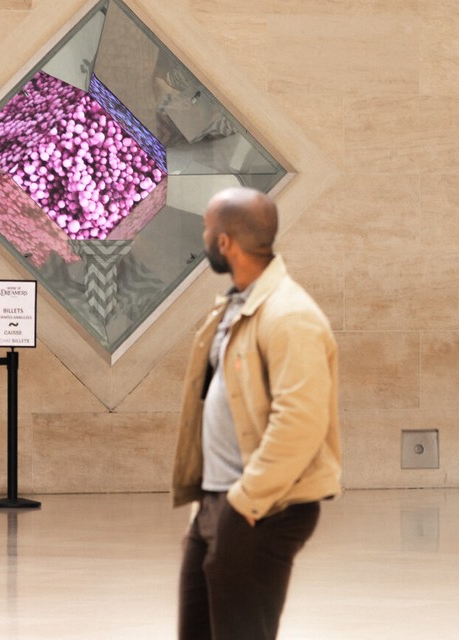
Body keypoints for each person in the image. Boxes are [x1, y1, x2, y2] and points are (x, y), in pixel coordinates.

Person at [172, 187, 341, 640]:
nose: (204, 238)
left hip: (263, 507)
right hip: (219, 501)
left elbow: (300, 421)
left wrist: (244, 501)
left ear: (224, 241)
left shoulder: (290, 316)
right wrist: (210, 503)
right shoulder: (236, 306)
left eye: (207, 229)